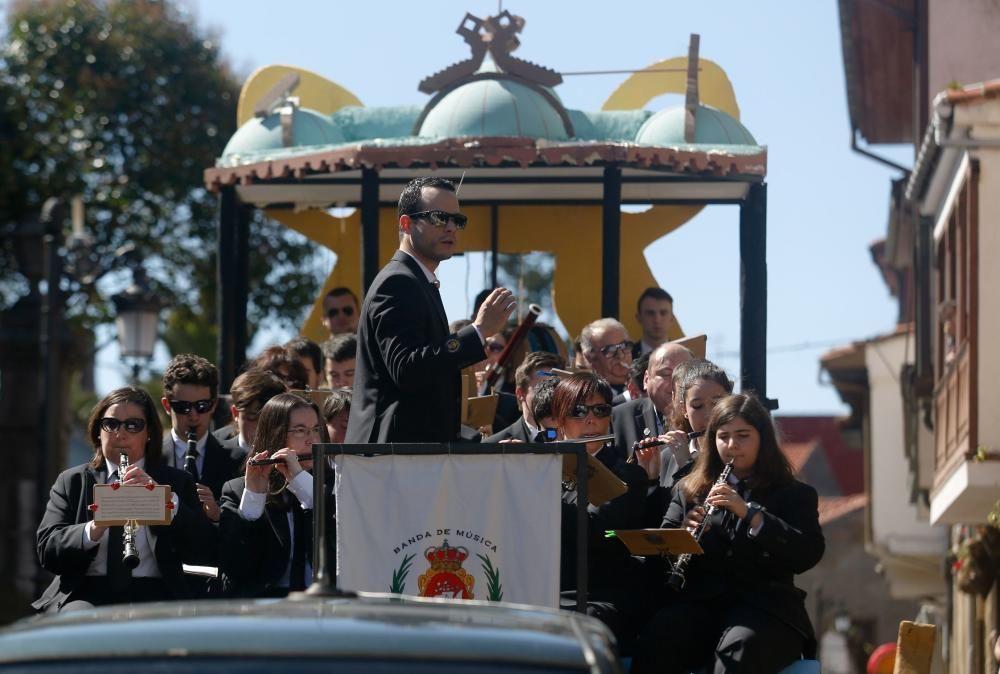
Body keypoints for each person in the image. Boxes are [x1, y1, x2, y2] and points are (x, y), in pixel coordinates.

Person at [630, 393, 825, 674]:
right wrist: (683, 534)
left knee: (739, 650)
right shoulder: (690, 489)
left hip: (765, 609)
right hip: (701, 605)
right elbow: (659, 552)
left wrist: (750, 514)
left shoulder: (794, 494)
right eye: (723, 437)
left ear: (763, 439)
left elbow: (808, 553)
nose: (732, 445)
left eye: (743, 435)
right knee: (659, 636)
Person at [346, 176, 514, 443]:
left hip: (408, 457)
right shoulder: (398, 281)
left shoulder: (418, 281)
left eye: (457, 220)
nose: (450, 228)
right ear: (406, 223)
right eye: (438, 218)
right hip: (390, 460)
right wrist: (479, 331)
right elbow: (407, 369)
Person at [34, 387, 216, 612]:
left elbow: (204, 549)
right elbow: (47, 550)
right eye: (111, 424)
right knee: (78, 622)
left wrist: (169, 504)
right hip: (88, 589)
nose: (121, 434)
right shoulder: (72, 481)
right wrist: (93, 529)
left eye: (133, 425)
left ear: (148, 432)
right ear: (98, 431)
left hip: (157, 589)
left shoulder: (177, 482)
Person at [553, 372, 658, 655]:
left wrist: (539, 491)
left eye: (600, 410)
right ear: (559, 420)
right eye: (578, 411)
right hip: (542, 590)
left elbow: (599, 532)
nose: (591, 420)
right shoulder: (543, 466)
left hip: (596, 598)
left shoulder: (627, 475)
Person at [219, 393, 333, 597]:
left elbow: (339, 545)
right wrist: (254, 495)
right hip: (267, 609)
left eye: (316, 429)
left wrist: (300, 480)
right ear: (276, 435)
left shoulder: (335, 483)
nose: (312, 440)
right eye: (300, 431)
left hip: (325, 601)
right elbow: (235, 568)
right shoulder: (237, 490)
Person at [161, 354, 245, 523]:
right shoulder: (151, 457)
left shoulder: (238, 459)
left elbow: (245, 529)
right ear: (167, 406)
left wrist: (219, 515)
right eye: (182, 407)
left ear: (213, 405)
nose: (193, 416)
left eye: (202, 406)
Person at [612, 342, 692, 474]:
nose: (675, 382)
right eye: (666, 373)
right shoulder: (619, 418)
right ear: (646, 379)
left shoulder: (706, 418)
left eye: (684, 373)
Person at [486, 350, 563, 442]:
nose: (551, 394)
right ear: (521, 394)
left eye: (557, 388)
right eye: (543, 388)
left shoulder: (576, 439)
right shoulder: (495, 446)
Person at [221, 368, 287, 452]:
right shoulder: (214, 454)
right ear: (235, 413)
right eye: (253, 417)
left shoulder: (298, 453)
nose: (262, 428)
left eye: (272, 419)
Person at [580, 318, 633, 397]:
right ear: (589, 357)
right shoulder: (587, 398)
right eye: (610, 349)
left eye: (624, 346)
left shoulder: (646, 390)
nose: (620, 355)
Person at [632, 287, 674, 358]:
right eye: (650, 313)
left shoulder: (685, 357)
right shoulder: (627, 358)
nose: (657, 320)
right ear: (639, 318)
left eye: (663, 313)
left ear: (672, 318)